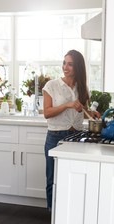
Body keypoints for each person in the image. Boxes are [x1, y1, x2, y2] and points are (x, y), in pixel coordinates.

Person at [43, 49, 100, 210]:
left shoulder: (82, 88)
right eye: (64, 63)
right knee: (52, 179)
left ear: (78, 68)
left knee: (73, 177)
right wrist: (67, 104)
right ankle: (53, 217)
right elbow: (47, 113)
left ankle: (69, 213)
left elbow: (83, 110)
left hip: (77, 137)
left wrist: (92, 113)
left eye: (70, 64)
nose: (65, 67)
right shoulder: (52, 85)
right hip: (55, 137)